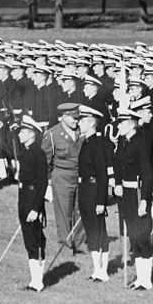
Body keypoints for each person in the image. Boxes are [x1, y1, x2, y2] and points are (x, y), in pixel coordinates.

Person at [114, 107, 153, 289]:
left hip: (139, 194)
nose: (119, 126)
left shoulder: (141, 143)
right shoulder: (124, 142)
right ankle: (139, 278)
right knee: (133, 236)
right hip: (126, 194)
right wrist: (116, 183)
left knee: (142, 237)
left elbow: (147, 174)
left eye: (122, 123)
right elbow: (117, 165)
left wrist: (145, 200)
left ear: (132, 124)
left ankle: (146, 280)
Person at [41, 102, 87, 255]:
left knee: (81, 211)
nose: (76, 120)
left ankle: (81, 243)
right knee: (63, 213)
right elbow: (46, 160)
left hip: (81, 177)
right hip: (62, 177)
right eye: (73, 118)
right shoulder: (52, 134)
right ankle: (65, 246)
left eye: (78, 117)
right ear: (64, 116)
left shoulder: (82, 132)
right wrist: (47, 181)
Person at [16, 114, 49, 292]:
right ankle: (34, 279)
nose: (19, 135)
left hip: (32, 198)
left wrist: (36, 209)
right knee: (29, 239)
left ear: (32, 134)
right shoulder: (25, 152)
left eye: (23, 131)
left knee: (35, 240)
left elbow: (42, 182)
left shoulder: (38, 153)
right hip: (23, 197)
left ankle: (37, 281)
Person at [77, 105, 110, 281]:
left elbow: (102, 175)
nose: (79, 123)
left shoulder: (96, 145)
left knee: (98, 231)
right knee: (91, 231)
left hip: (94, 190)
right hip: (85, 190)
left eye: (82, 121)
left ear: (91, 123)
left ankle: (102, 271)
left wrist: (100, 201)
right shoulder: (86, 142)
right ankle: (97, 269)